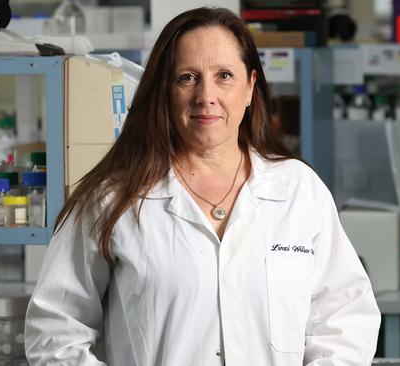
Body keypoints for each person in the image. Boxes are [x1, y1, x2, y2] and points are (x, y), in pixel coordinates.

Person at [24, 7, 381, 366]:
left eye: (224, 75)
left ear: (249, 88)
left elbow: (345, 320)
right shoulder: (113, 198)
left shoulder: (299, 191)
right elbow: (55, 332)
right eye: (187, 77)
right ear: (164, 90)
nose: (205, 95)